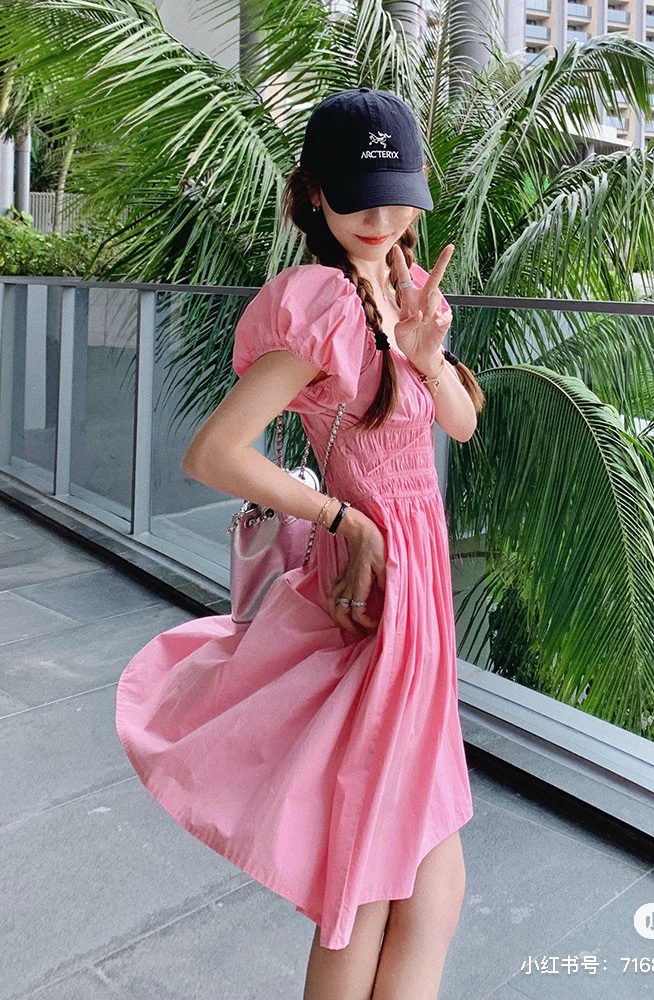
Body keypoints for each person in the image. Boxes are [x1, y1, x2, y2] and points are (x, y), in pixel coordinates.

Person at [115, 87, 486, 1000]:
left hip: (418, 584)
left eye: (397, 198)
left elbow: (461, 425)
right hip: (378, 584)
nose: (381, 220)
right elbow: (215, 453)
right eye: (359, 199)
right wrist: (343, 520)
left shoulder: (404, 288)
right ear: (315, 194)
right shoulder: (318, 301)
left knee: (417, 875)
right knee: (383, 876)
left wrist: (428, 353)